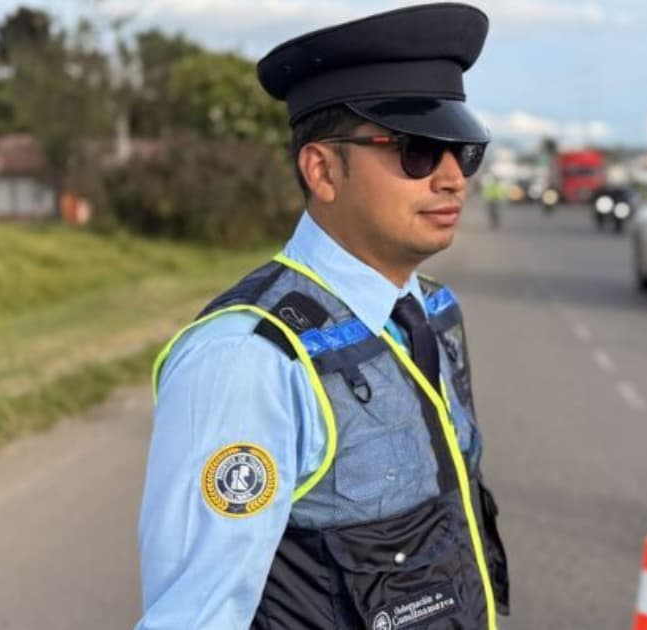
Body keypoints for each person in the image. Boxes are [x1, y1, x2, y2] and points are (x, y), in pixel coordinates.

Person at [136, 4, 509, 629]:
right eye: (419, 151)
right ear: (323, 170)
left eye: (463, 152)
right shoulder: (250, 358)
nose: (453, 179)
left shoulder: (430, 310)